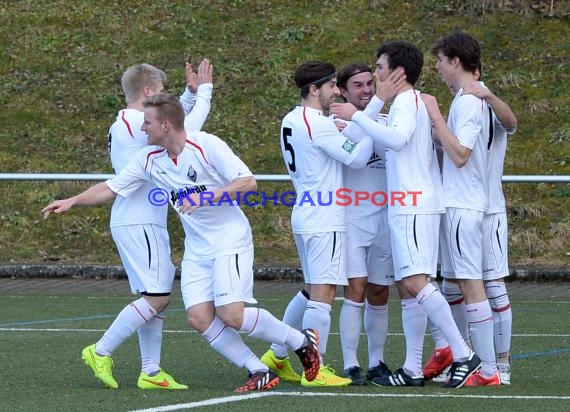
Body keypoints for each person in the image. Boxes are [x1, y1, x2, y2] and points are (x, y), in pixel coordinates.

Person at [42, 93, 321, 393]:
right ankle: (258, 370)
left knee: (232, 315)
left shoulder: (206, 145)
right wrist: (73, 201)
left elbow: (248, 183)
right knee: (199, 317)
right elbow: (111, 188)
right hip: (197, 248)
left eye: (147, 123)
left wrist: (207, 196)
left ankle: (301, 342)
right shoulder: (149, 160)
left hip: (230, 241)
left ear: (165, 125)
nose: (142, 129)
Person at [331, 41, 480, 389]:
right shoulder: (409, 103)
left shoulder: (406, 102)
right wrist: (361, 121)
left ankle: (462, 353)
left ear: (397, 72)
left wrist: (357, 117)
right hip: (413, 205)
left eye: (380, 67)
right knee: (413, 287)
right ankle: (413, 368)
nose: (376, 73)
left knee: (414, 282)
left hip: (411, 206)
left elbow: (396, 139)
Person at [81, 59, 213, 390]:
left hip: (142, 220)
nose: (166, 100)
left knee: (153, 296)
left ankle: (151, 371)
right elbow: (183, 131)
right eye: (163, 93)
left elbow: (170, 119)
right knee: (157, 297)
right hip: (138, 220)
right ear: (148, 92)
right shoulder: (132, 122)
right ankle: (101, 350)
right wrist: (206, 95)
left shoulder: (129, 121)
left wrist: (189, 93)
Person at [260, 61, 376, 387]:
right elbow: (356, 157)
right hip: (325, 218)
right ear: (315, 90)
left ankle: (276, 353)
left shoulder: (292, 119)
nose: (337, 91)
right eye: (332, 86)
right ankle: (315, 368)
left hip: (306, 213)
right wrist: (370, 123)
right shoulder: (318, 124)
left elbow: (329, 147)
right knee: (323, 294)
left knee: (311, 288)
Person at [423, 76, 517, 385]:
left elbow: (509, 123)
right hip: (467, 204)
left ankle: (497, 365)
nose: (440, 73)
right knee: (453, 283)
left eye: (442, 62)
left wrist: (488, 96)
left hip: (483, 207)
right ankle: (465, 359)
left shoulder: (475, 100)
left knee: (488, 284)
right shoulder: (463, 100)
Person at [334, 63, 394, 385]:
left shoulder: (383, 118)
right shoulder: (337, 121)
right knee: (355, 289)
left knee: (380, 291)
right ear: (343, 91)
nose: (367, 90)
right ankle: (350, 363)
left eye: (370, 83)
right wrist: (369, 114)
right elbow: (354, 140)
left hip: (385, 216)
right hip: (352, 218)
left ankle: (377, 361)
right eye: (357, 85)